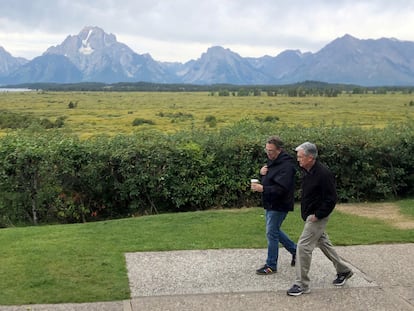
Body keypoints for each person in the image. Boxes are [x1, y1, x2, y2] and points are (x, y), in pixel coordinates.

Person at [287, 142, 353, 296]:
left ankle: (302, 284)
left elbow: (331, 199)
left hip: (317, 216)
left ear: (310, 158)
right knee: (323, 242)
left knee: (303, 247)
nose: (298, 159)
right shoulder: (306, 170)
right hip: (310, 214)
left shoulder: (323, 174)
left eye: (300, 157)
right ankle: (344, 271)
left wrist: (317, 215)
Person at [251, 136, 297, 275]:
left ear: (279, 150)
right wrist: (263, 173)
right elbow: (270, 179)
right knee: (274, 231)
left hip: (280, 204)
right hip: (270, 202)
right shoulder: (273, 162)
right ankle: (296, 251)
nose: (268, 153)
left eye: (271, 151)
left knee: (271, 233)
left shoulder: (287, 166)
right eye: (267, 150)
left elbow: (282, 189)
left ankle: (271, 265)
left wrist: (262, 189)